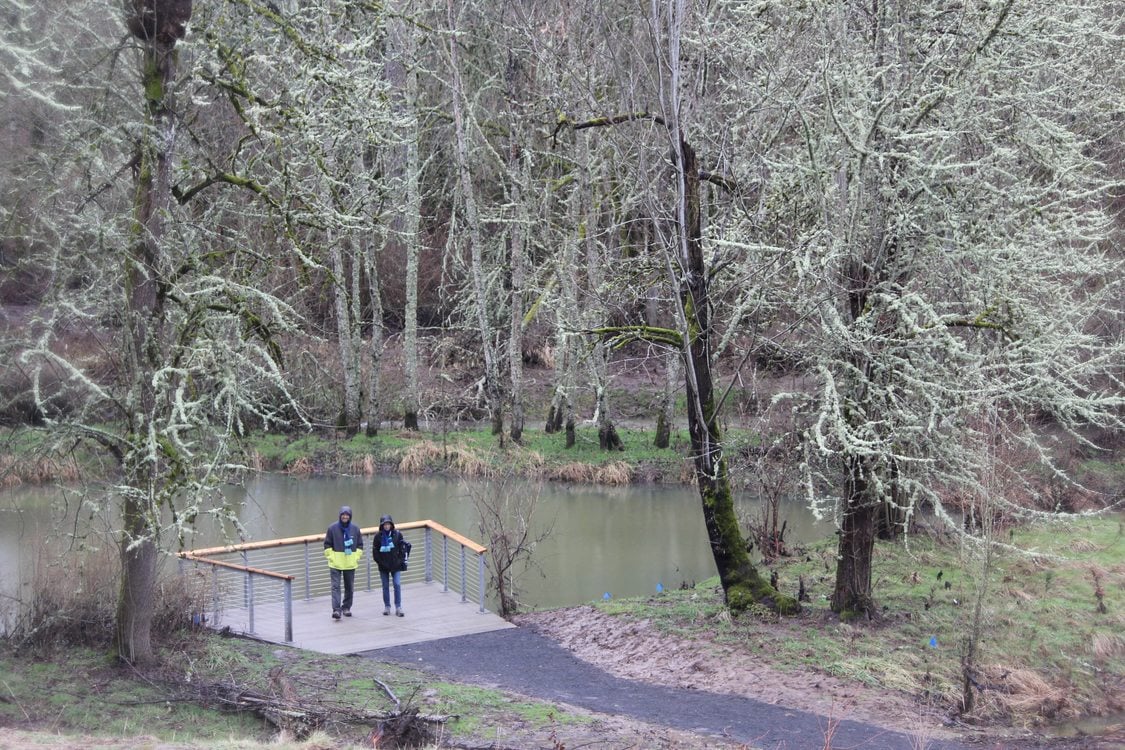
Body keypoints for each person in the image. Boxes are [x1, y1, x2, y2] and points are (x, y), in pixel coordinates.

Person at [323, 505, 363, 620]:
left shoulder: (355, 529)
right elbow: (327, 545)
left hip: (350, 563)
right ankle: (336, 610)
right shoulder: (332, 528)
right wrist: (331, 557)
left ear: (350, 516)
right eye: (343, 515)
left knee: (349, 587)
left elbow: (360, 545)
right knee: (335, 587)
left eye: (347, 515)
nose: (345, 517)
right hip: (335, 563)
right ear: (340, 516)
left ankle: (346, 607)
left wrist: (356, 557)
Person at [373, 514, 411, 616]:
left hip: (396, 565)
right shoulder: (377, 537)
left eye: (388, 524)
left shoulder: (397, 535)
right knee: (385, 586)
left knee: (397, 584)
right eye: (384, 524)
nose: (386, 526)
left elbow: (402, 550)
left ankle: (398, 607)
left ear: (391, 525)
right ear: (381, 525)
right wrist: (381, 563)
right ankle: (387, 607)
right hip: (383, 566)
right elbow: (375, 553)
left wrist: (399, 561)